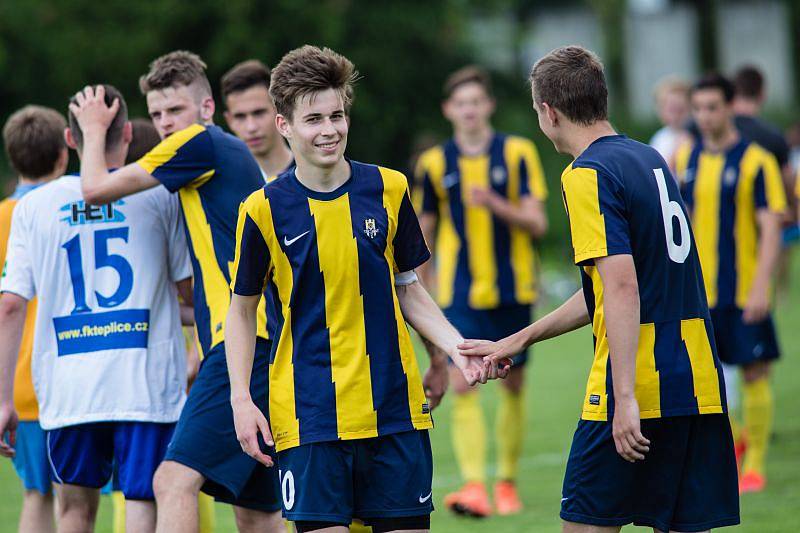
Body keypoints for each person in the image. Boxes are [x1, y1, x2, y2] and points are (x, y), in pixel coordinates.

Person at [226, 45, 509, 533]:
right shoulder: (262, 210)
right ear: (284, 125)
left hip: (395, 411)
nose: (330, 129)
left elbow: (409, 287)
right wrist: (240, 401)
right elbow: (240, 310)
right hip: (309, 417)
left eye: (337, 114)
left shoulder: (390, 189)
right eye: (313, 119)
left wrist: (453, 350)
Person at [460, 46, 739, 532]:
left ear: (548, 113)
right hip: (695, 380)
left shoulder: (587, 173)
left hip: (638, 384)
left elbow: (623, 285)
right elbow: (607, 289)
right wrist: (517, 339)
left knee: (585, 525)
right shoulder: (649, 158)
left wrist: (625, 396)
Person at [68, 50, 283, 533]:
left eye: (176, 110)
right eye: (158, 113)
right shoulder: (216, 153)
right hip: (261, 344)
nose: (166, 123)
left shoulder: (198, 144)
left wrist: (92, 128)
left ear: (206, 109)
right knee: (255, 512)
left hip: (245, 347)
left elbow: (94, 188)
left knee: (171, 481)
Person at [0, 85, 193, 533]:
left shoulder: (34, 207)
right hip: (145, 386)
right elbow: (187, 293)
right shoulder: (160, 197)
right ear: (128, 133)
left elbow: (10, 305)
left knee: (73, 512)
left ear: (70, 140)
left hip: (71, 387)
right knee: (141, 500)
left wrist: (4, 397)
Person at [414, 65, 548, 517]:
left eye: (476, 101)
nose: (469, 110)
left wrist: (493, 203)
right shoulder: (433, 164)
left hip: (513, 289)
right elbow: (422, 237)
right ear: (449, 110)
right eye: (461, 103)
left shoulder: (518, 153)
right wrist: (425, 293)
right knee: (463, 382)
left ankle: (506, 483)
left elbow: (538, 223)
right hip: (459, 294)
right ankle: (474, 486)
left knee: (513, 385)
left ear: (488, 105)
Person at [675, 73, 786, 494]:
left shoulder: (756, 160)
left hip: (743, 290)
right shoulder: (687, 156)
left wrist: (761, 287)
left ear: (730, 107)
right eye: (698, 108)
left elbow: (772, 228)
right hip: (699, 292)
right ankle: (738, 440)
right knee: (705, 378)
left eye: (712, 108)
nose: (704, 116)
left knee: (755, 372)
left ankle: (755, 464)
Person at [0, 105, 69, 533]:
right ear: (65, 153)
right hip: (66, 371)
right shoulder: (69, 211)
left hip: (15, 382)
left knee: (34, 494)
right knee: (71, 497)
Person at [221, 59, 294, 178]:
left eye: (259, 113)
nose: (251, 127)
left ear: (280, 111)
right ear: (229, 120)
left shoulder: (314, 173)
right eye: (240, 117)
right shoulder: (224, 184)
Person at [648, 76, 691, 169]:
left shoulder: (696, 136)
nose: (676, 115)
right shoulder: (660, 138)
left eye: (680, 109)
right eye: (671, 109)